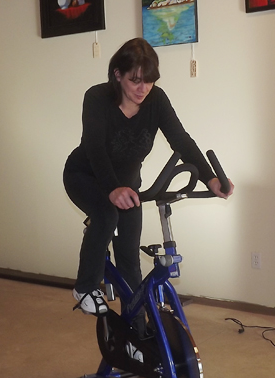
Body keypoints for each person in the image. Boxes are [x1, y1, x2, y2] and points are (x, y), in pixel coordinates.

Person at [63, 38, 234, 319]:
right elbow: (94, 148)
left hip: (127, 187)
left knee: (130, 259)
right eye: (135, 81)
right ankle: (84, 288)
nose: (143, 89)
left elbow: (181, 140)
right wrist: (111, 189)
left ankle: (139, 337)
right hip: (86, 176)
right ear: (117, 75)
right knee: (107, 215)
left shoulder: (157, 100)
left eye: (149, 81)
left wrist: (210, 179)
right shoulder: (97, 98)